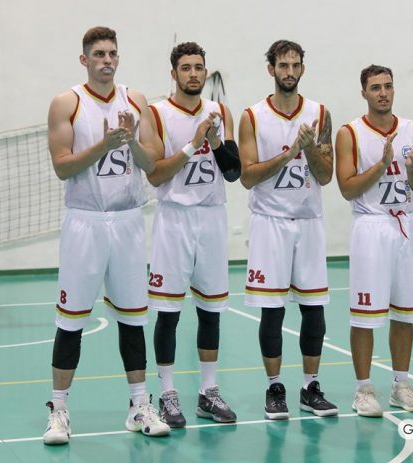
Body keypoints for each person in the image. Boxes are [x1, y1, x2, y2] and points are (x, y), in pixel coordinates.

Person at [43, 26, 170, 444]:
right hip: (85, 222)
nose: (107, 60)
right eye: (99, 53)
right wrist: (103, 144)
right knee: (72, 320)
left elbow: (152, 162)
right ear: (84, 60)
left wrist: (129, 140)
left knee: (133, 317)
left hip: (129, 220)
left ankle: (139, 405)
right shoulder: (67, 103)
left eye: (113, 53)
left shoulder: (136, 100)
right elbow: (62, 166)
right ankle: (59, 410)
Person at [238, 40, 337, 420]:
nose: (290, 71)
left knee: (314, 311)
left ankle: (311, 386)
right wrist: (288, 152)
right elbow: (247, 177)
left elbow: (326, 176)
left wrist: (310, 149)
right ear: (271, 69)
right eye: (283, 65)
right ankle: (274, 388)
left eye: (296, 65)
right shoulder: (252, 116)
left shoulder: (320, 113)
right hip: (270, 223)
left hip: (309, 222)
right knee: (272, 312)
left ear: (302, 69)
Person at [146, 42, 241, 428]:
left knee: (211, 310)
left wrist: (215, 142)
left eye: (199, 67)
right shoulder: (157, 113)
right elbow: (155, 173)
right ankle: (168, 393)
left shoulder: (221, 113)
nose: (193, 74)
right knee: (168, 313)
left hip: (212, 218)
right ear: (173, 73)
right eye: (185, 67)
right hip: (174, 219)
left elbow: (234, 172)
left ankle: (208, 392)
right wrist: (192, 143)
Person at [335, 65, 413, 417]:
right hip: (371, 226)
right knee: (365, 315)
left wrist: (412, 168)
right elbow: (346, 188)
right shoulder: (350, 133)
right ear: (364, 92)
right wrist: (382, 164)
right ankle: (363, 390)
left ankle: (400, 385)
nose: (383, 93)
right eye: (376, 87)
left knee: (404, 313)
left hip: (406, 224)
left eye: (388, 86)